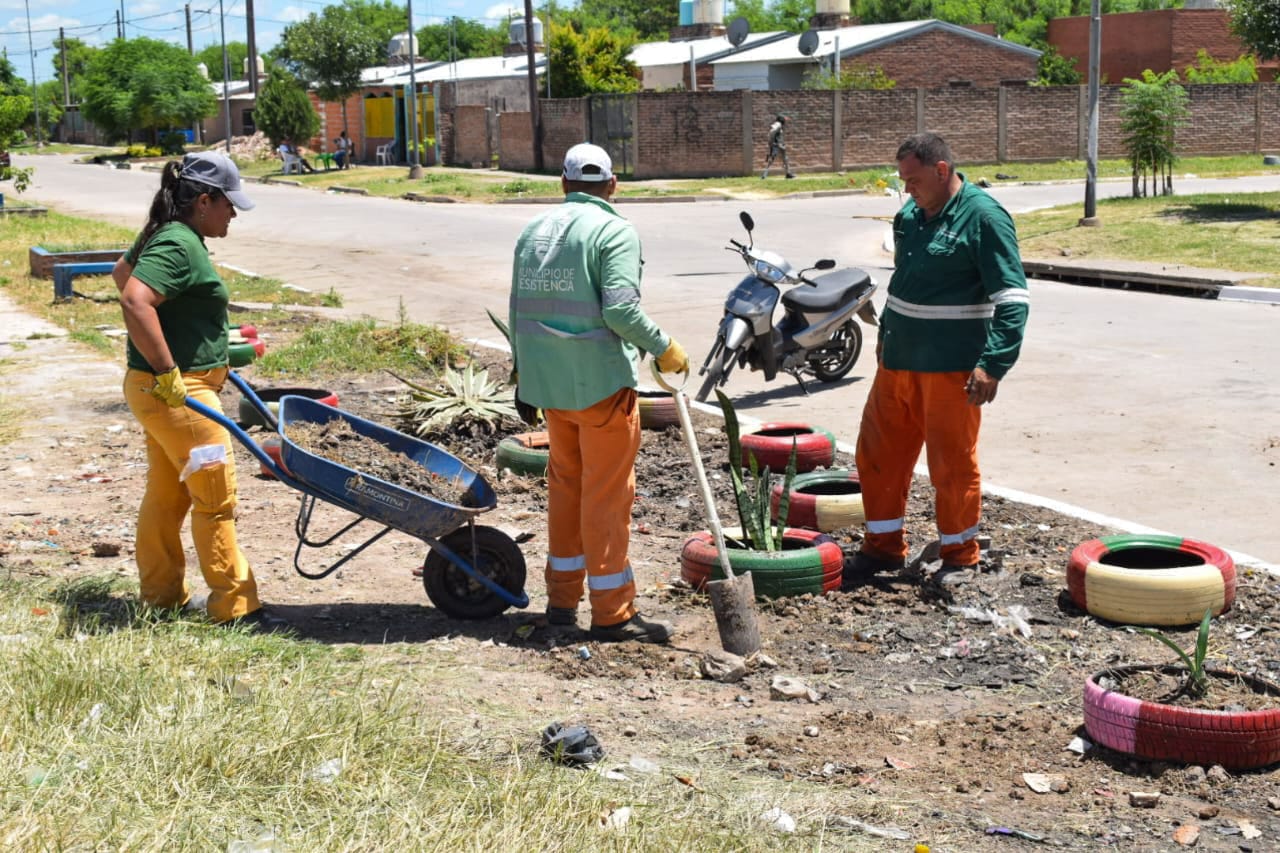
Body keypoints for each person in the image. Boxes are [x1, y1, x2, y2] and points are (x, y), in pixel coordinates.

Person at [509, 142, 689, 644]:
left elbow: (517, 306)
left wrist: (522, 374)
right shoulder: (614, 230)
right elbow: (621, 312)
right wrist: (664, 347)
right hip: (601, 388)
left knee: (566, 491)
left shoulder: (534, 231)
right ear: (612, 185)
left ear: (564, 184)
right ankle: (613, 613)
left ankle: (562, 602)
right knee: (607, 498)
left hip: (550, 389)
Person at [844, 131, 1030, 588]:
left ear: (942, 170)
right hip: (899, 364)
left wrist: (994, 364)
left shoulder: (984, 219)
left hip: (951, 370)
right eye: (903, 181)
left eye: (913, 180)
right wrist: (886, 335)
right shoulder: (911, 214)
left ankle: (960, 557)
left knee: (951, 467)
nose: (907, 190)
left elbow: (1013, 299)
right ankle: (882, 548)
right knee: (877, 457)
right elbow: (905, 284)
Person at [112, 151, 287, 632]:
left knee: (168, 496)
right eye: (229, 204)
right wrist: (168, 365)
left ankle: (161, 597)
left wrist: (189, 336)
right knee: (215, 495)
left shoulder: (166, 232)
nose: (233, 213)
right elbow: (134, 297)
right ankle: (236, 607)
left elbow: (122, 273)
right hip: (177, 390)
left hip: (162, 389)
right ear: (204, 201)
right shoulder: (179, 242)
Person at [762, 115, 795, 180]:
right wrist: (772, 142)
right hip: (776, 145)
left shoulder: (779, 125)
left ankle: (788, 174)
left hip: (780, 145)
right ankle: (764, 175)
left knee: (785, 159)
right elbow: (772, 132)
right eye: (784, 120)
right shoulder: (778, 124)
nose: (785, 122)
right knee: (772, 159)